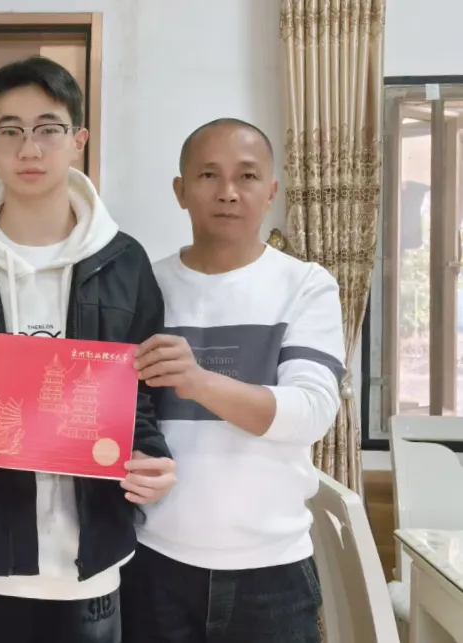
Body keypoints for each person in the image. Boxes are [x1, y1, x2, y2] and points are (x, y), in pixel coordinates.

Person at [0, 56, 177, 643]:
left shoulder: (125, 263)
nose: (29, 148)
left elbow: (139, 395)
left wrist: (151, 461)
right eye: (10, 130)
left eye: (48, 128)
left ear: (78, 140)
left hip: (89, 564)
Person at [120, 118, 345, 643]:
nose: (227, 192)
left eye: (247, 176)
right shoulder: (143, 286)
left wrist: (198, 381)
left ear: (271, 191)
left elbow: (311, 411)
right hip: (152, 562)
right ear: (180, 191)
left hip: (273, 574)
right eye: (208, 175)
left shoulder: (305, 285)